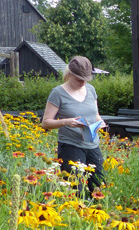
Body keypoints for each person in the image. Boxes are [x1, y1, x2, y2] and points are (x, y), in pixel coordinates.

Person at [41, 56, 106, 195]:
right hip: (71, 146)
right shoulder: (58, 93)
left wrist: (101, 123)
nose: (83, 83)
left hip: (93, 145)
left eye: (86, 79)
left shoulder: (91, 90)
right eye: (79, 79)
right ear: (69, 74)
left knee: (99, 188)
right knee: (76, 190)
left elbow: (95, 114)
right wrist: (65, 122)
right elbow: (46, 122)